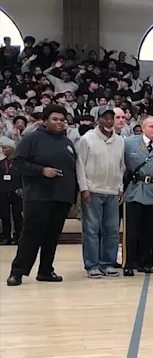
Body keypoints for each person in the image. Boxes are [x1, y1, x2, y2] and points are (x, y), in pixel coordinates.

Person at [6, 105, 77, 287]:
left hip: (61, 197)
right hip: (39, 196)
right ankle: (17, 272)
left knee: (52, 236)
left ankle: (46, 270)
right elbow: (18, 163)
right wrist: (41, 170)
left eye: (62, 120)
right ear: (45, 121)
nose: (59, 122)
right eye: (55, 119)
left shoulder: (67, 142)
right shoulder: (33, 139)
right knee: (31, 235)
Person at [75, 106, 125, 278]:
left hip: (112, 191)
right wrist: (84, 188)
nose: (109, 121)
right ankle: (92, 265)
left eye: (111, 118)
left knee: (111, 230)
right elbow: (79, 164)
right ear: (98, 119)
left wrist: (120, 187)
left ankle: (107, 263)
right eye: (105, 118)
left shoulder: (120, 140)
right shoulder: (87, 139)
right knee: (91, 229)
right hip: (92, 190)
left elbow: (121, 167)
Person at [121, 116, 153, 277]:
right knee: (131, 231)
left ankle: (145, 262)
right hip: (133, 190)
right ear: (143, 127)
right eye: (151, 126)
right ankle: (128, 263)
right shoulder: (128, 143)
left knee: (149, 231)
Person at [0, 137, 22, 245]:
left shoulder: (18, 162)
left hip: (16, 192)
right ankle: (6, 236)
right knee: (4, 215)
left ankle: (19, 236)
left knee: (17, 215)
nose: (4, 150)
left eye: (6, 148)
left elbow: (22, 176)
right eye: (3, 148)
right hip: (3, 192)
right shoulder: (1, 163)